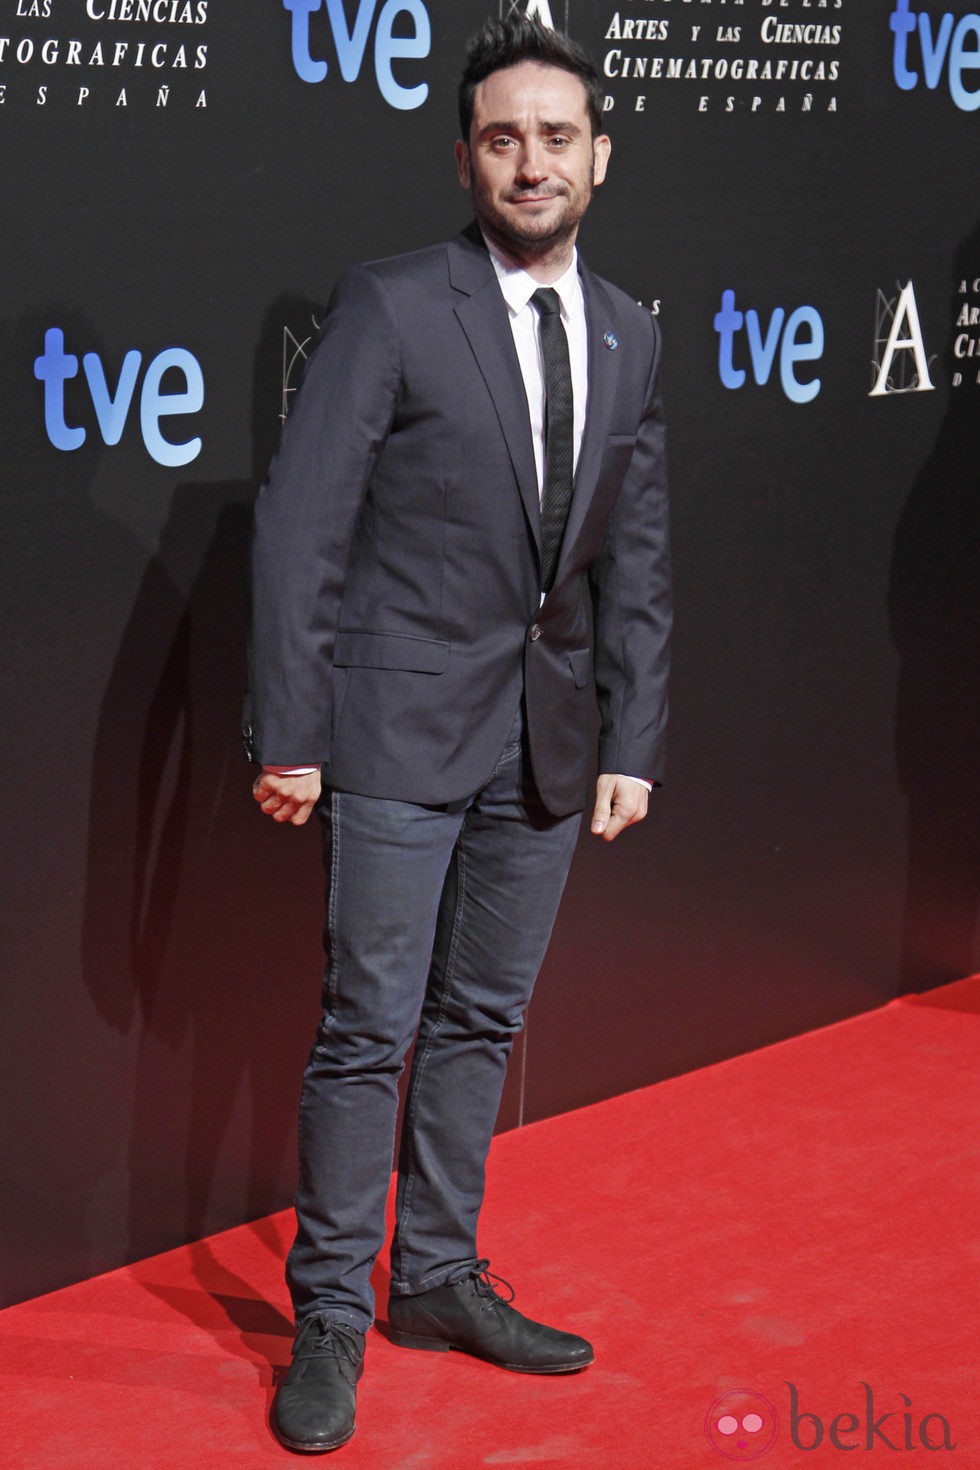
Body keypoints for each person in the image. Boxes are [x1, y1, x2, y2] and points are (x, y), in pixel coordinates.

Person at [244, 15, 671, 1455]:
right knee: (370, 1029)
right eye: (504, 136)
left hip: (545, 745)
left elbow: (639, 550)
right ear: (466, 155)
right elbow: (303, 526)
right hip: (392, 732)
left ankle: (431, 1277)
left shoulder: (631, 328)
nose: (531, 160)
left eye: (557, 136)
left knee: (484, 1019)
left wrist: (633, 734)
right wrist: (293, 729)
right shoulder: (395, 302)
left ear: (599, 157)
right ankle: (331, 1316)